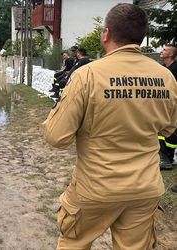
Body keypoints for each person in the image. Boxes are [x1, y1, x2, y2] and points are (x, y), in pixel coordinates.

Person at [42, 3, 177, 249]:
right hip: (145, 188)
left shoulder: (87, 75)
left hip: (96, 187)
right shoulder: (166, 77)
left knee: (74, 243)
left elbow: (56, 136)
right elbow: (168, 128)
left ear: (106, 34)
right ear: (141, 36)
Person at [158, 44, 177, 170]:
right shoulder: (163, 69)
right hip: (166, 104)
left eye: (164, 50)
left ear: (170, 54)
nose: (161, 51)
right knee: (160, 131)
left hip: (174, 105)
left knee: (172, 132)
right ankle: (165, 157)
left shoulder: (175, 69)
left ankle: (168, 157)